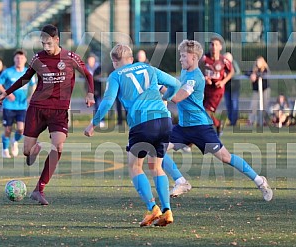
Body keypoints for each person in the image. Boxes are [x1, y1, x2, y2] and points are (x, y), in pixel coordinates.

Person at [160, 39, 273, 202]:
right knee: (157, 149)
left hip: (200, 128)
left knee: (226, 158)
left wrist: (158, 86)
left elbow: (177, 97)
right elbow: (174, 90)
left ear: (193, 57)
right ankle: (181, 181)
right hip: (183, 127)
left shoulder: (195, 77)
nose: (180, 59)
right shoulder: (185, 72)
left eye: (183, 56)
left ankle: (260, 181)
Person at [0, 24, 95, 205]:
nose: (45, 47)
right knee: (26, 152)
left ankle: (39, 189)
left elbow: (88, 74)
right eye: (43, 44)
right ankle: (36, 147)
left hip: (59, 111)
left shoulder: (70, 58)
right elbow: (25, 78)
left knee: (58, 147)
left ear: (57, 40)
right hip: (37, 108)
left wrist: (90, 93)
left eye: (48, 43)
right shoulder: (38, 58)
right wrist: (6, 92)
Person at [84, 44, 181, 227]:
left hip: (142, 123)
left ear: (115, 62)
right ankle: (167, 210)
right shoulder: (148, 68)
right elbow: (175, 83)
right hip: (164, 120)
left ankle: (153, 207)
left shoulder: (116, 76)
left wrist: (93, 124)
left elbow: (107, 102)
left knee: (135, 166)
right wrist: (166, 98)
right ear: (131, 58)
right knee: (157, 167)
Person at [0, 50, 36, 158]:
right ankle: (5, 150)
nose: (19, 60)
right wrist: (7, 94)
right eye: (17, 58)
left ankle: (14, 141)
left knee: (21, 129)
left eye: (22, 58)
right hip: (9, 105)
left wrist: (31, 96)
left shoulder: (28, 72)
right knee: (8, 129)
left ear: (25, 60)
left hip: (22, 106)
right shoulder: (8, 72)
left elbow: (34, 85)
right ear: (14, 59)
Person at [200, 36, 234, 136]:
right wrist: (204, 78)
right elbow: (198, 70)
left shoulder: (224, 60)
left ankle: (191, 142)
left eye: (216, 44)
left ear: (220, 47)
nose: (214, 46)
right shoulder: (204, 58)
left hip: (217, 91)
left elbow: (232, 71)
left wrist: (223, 82)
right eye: (212, 44)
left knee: (206, 112)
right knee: (200, 111)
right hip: (206, 89)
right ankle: (218, 124)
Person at [248, 56, 271, 126]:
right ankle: (251, 121)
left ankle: (264, 121)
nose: (258, 63)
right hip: (256, 90)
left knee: (265, 105)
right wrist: (251, 75)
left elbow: (265, 75)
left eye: (260, 61)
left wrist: (256, 76)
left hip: (265, 90)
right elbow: (247, 73)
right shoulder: (254, 69)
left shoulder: (265, 69)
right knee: (253, 105)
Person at [85, 53, 104, 127]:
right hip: (91, 90)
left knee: (99, 105)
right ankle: (97, 120)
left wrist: (93, 78)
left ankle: (101, 120)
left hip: (98, 90)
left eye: (92, 60)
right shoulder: (86, 68)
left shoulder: (98, 68)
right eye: (89, 60)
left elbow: (99, 76)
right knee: (95, 105)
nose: (90, 62)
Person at [223, 52, 241, 126]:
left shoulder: (234, 64)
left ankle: (234, 121)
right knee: (228, 104)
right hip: (226, 88)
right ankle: (230, 120)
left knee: (234, 104)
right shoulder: (223, 64)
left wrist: (228, 75)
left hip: (234, 88)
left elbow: (238, 72)